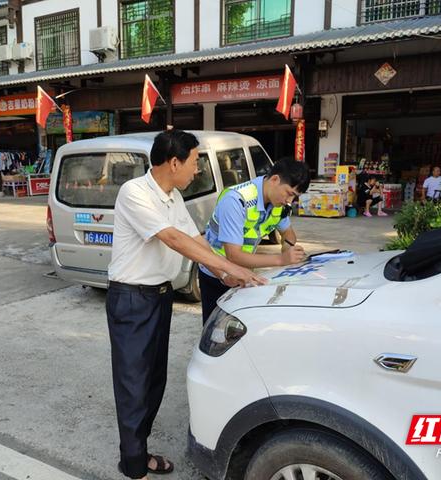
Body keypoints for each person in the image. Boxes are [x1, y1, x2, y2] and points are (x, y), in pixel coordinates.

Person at [106, 129, 265, 480]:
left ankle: (138, 451)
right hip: (131, 299)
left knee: (153, 382)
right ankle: (133, 466)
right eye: (194, 162)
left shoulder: (172, 196)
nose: (197, 171)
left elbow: (196, 240)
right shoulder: (134, 192)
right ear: (174, 161)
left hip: (158, 297)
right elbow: (174, 239)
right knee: (134, 385)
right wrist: (231, 265)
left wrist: (222, 272)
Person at [199, 158, 310, 324]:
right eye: (289, 194)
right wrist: (281, 260)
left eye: (295, 197)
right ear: (275, 180)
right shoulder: (236, 200)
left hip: (243, 274)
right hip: (217, 273)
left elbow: (288, 233)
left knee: (240, 329)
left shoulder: (278, 205)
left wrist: (289, 249)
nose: (289, 201)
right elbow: (234, 256)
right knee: (217, 332)